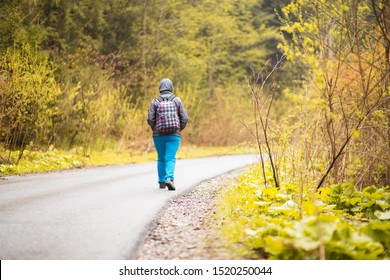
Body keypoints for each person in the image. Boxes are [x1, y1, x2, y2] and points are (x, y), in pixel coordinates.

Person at [147, 78, 188, 191]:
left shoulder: (155, 101)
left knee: (161, 158)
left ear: (160, 87)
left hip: (158, 135)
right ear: (171, 87)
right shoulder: (177, 100)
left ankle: (161, 182)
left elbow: (150, 119)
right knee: (170, 157)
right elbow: (184, 118)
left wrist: (155, 128)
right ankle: (169, 178)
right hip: (174, 135)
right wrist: (178, 129)